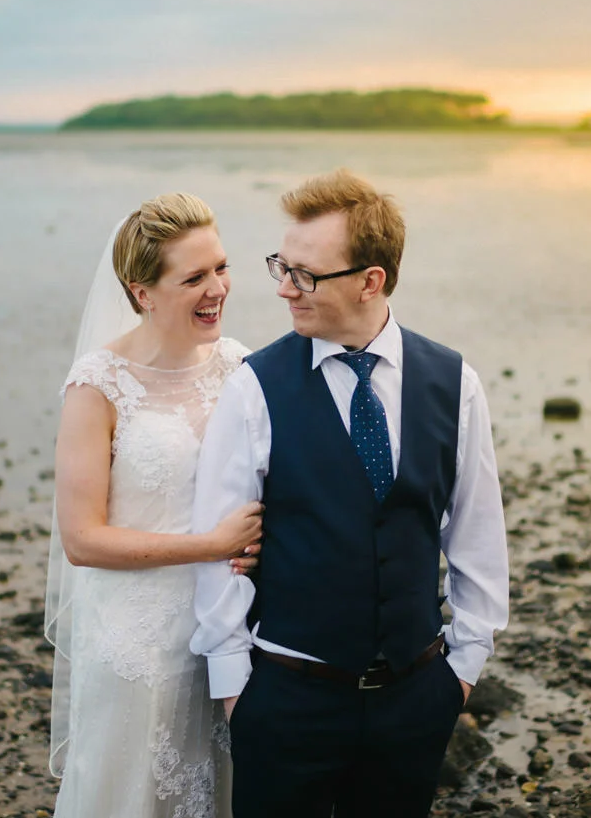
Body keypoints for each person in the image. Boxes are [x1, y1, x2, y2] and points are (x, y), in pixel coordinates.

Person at [191, 170, 510, 817]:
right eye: (282, 265)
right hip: (285, 700)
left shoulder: (454, 382)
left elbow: (476, 534)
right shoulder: (255, 387)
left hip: (415, 701)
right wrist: (235, 688)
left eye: (306, 273)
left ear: (372, 280)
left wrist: (462, 667)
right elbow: (217, 542)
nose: (283, 287)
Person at [46, 192, 262, 818]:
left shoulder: (239, 365)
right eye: (193, 277)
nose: (217, 288)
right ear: (142, 292)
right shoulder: (98, 386)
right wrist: (211, 546)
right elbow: (83, 540)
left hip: (228, 634)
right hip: (137, 650)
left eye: (220, 267)